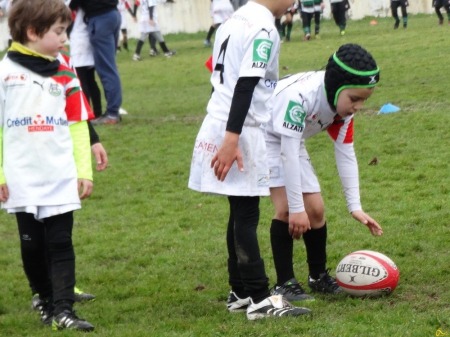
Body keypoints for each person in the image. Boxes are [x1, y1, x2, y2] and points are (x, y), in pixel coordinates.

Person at [188, 0, 312, 320]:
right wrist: (232, 139)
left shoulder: (233, 20)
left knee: (239, 210)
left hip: (223, 120)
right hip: (240, 128)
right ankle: (259, 298)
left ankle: (240, 291)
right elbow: (246, 83)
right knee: (247, 213)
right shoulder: (263, 26)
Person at [0, 0, 95, 331]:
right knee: (33, 243)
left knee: (60, 241)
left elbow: (78, 123)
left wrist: (84, 169)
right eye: (59, 32)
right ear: (32, 32)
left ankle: (64, 310)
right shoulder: (5, 72)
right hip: (20, 175)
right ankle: (42, 296)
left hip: (59, 173)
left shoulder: (65, 73)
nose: (65, 39)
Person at [264, 44, 383, 301]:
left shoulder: (343, 109)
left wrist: (355, 207)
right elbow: (286, 155)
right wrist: (297, 208)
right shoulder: (299, 98)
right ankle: (284, 283)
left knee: (315, 210)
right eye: (355, 99)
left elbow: (346, 153)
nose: (359, 106)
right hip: (261, 135)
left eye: (364, 100)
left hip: (290, 140)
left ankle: (318, 277)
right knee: (286, 209)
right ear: (336, 86)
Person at [69, 0, 123, 125]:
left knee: (106, 68)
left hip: (100, 18)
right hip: (113, 14)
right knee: (109, 66)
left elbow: (73, 4)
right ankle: (113, 111)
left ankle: (112, 113)